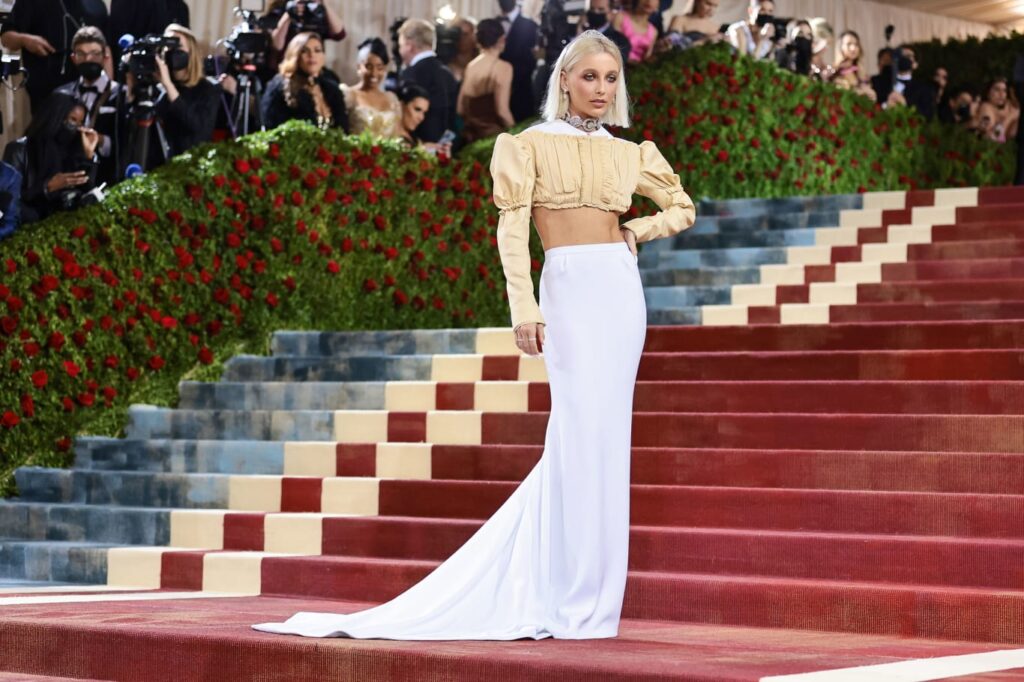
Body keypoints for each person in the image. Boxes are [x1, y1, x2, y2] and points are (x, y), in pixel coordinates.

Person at [252, 29, 696, 642]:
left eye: (611, 78)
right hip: (566, 287)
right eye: (589, 76)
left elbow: (682, 205)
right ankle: (562, 592)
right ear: (564, 79)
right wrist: (525, 307)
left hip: (620, 292)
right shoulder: (527, 145)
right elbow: (512, 233)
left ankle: (594, 603)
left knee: (606, 441)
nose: (601, 88)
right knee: (575, 435)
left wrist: (636, 233)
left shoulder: (629, 153)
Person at [123, 24, 220, 172]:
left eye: (177, 48)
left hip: (189, 168)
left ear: (191, 54)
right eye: (167, 47)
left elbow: (197, 128)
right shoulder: (156, 88)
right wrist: (131, 90)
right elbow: (130, 129)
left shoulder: (208, 89)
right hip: (156, 168)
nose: (171, 53)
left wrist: (168, 85)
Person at [2, 93, 99, 224]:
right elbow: (10, 202)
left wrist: (88, 157)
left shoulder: (73, 149)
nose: (77, 128)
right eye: (72, 120)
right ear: (57, 117)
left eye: (80, 122)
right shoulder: (19, 150)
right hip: (30, 230)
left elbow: (87, 192)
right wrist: (46, 187)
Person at [53, 26, 121, 183]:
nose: (88, 59)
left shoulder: (120, 94)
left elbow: (125, 143)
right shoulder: (62, 94)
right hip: (68, 174)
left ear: (105, 56)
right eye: (81, 54)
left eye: (94, 54)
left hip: (108, 177)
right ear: (73, 58)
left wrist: (100, 140)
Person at [0, 0, 91, 114]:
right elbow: (6, 37)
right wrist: (26, 40)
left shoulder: (87, 4)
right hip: (46, 94)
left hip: (82, 89)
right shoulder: (30, 3)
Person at [262, 32, 349, 132]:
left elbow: (343, 128)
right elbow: (272, 129)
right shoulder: (279, 86)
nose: (312, 55)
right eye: (304, 51)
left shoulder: (331, 87)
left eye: (317, 50)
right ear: (295, 55)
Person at [397, 19, 458, 144]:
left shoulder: (411, 74)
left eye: (401, 46)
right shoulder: (448, 73)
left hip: (420, 148)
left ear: (409, 46)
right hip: (448, 148)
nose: (400, 51)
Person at [458, 19, 514, 143]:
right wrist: (516, 135)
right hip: (492, 140)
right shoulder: (503, 68)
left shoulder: (471, 66)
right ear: (502, 40)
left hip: (471, 139)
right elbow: (502, 111)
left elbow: (460, 108)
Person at [340, 37, 401, 138]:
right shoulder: (349, 95)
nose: (374, 73)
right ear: (359, 67)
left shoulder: (391, 99)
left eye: (379, 67)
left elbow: (397, 136)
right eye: (368, 67)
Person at [497, 0, 539, 123]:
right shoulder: (494, 23)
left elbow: (533, 58)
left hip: (521, 90)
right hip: (495, 87)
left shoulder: (530, 25)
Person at [874, 45, 935, 120]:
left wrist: (905, 105)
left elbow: (927, 115)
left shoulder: (924, 89)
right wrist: (885, 105)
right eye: (900, 55)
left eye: (908, 56)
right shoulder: (879, 82)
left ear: (915, 64)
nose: (903, 58)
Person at [396, 83, 451, 156]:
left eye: (424, 113)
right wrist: (421, 150)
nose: (421, 117)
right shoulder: (387, 135)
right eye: (417, 109)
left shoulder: (415, 138)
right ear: (401, 105)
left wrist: (442, 155)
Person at [580, 0, 632, 66]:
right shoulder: (578, 32)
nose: (595, 12)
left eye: (601, 9)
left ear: (610, 13)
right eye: (592, 9)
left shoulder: (621, 41)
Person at [829, 30, 874, 100]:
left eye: (856, 44)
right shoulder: (833, 71)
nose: (853, 48)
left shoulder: (861, 70)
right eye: (849, 44)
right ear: (840, 46)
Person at [975, 78, 1020, 144]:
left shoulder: (1009, 105)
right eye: (997, 89)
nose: (1001, 94)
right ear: (988, 93)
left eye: (1004, 90)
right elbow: (994, 137)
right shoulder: (986, 107)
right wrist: (1010, 117)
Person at [444, 16, 479, 82]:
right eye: (457, 34)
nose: (461, 38)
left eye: (465, 34)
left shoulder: (480, 63)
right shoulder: (446, 64)